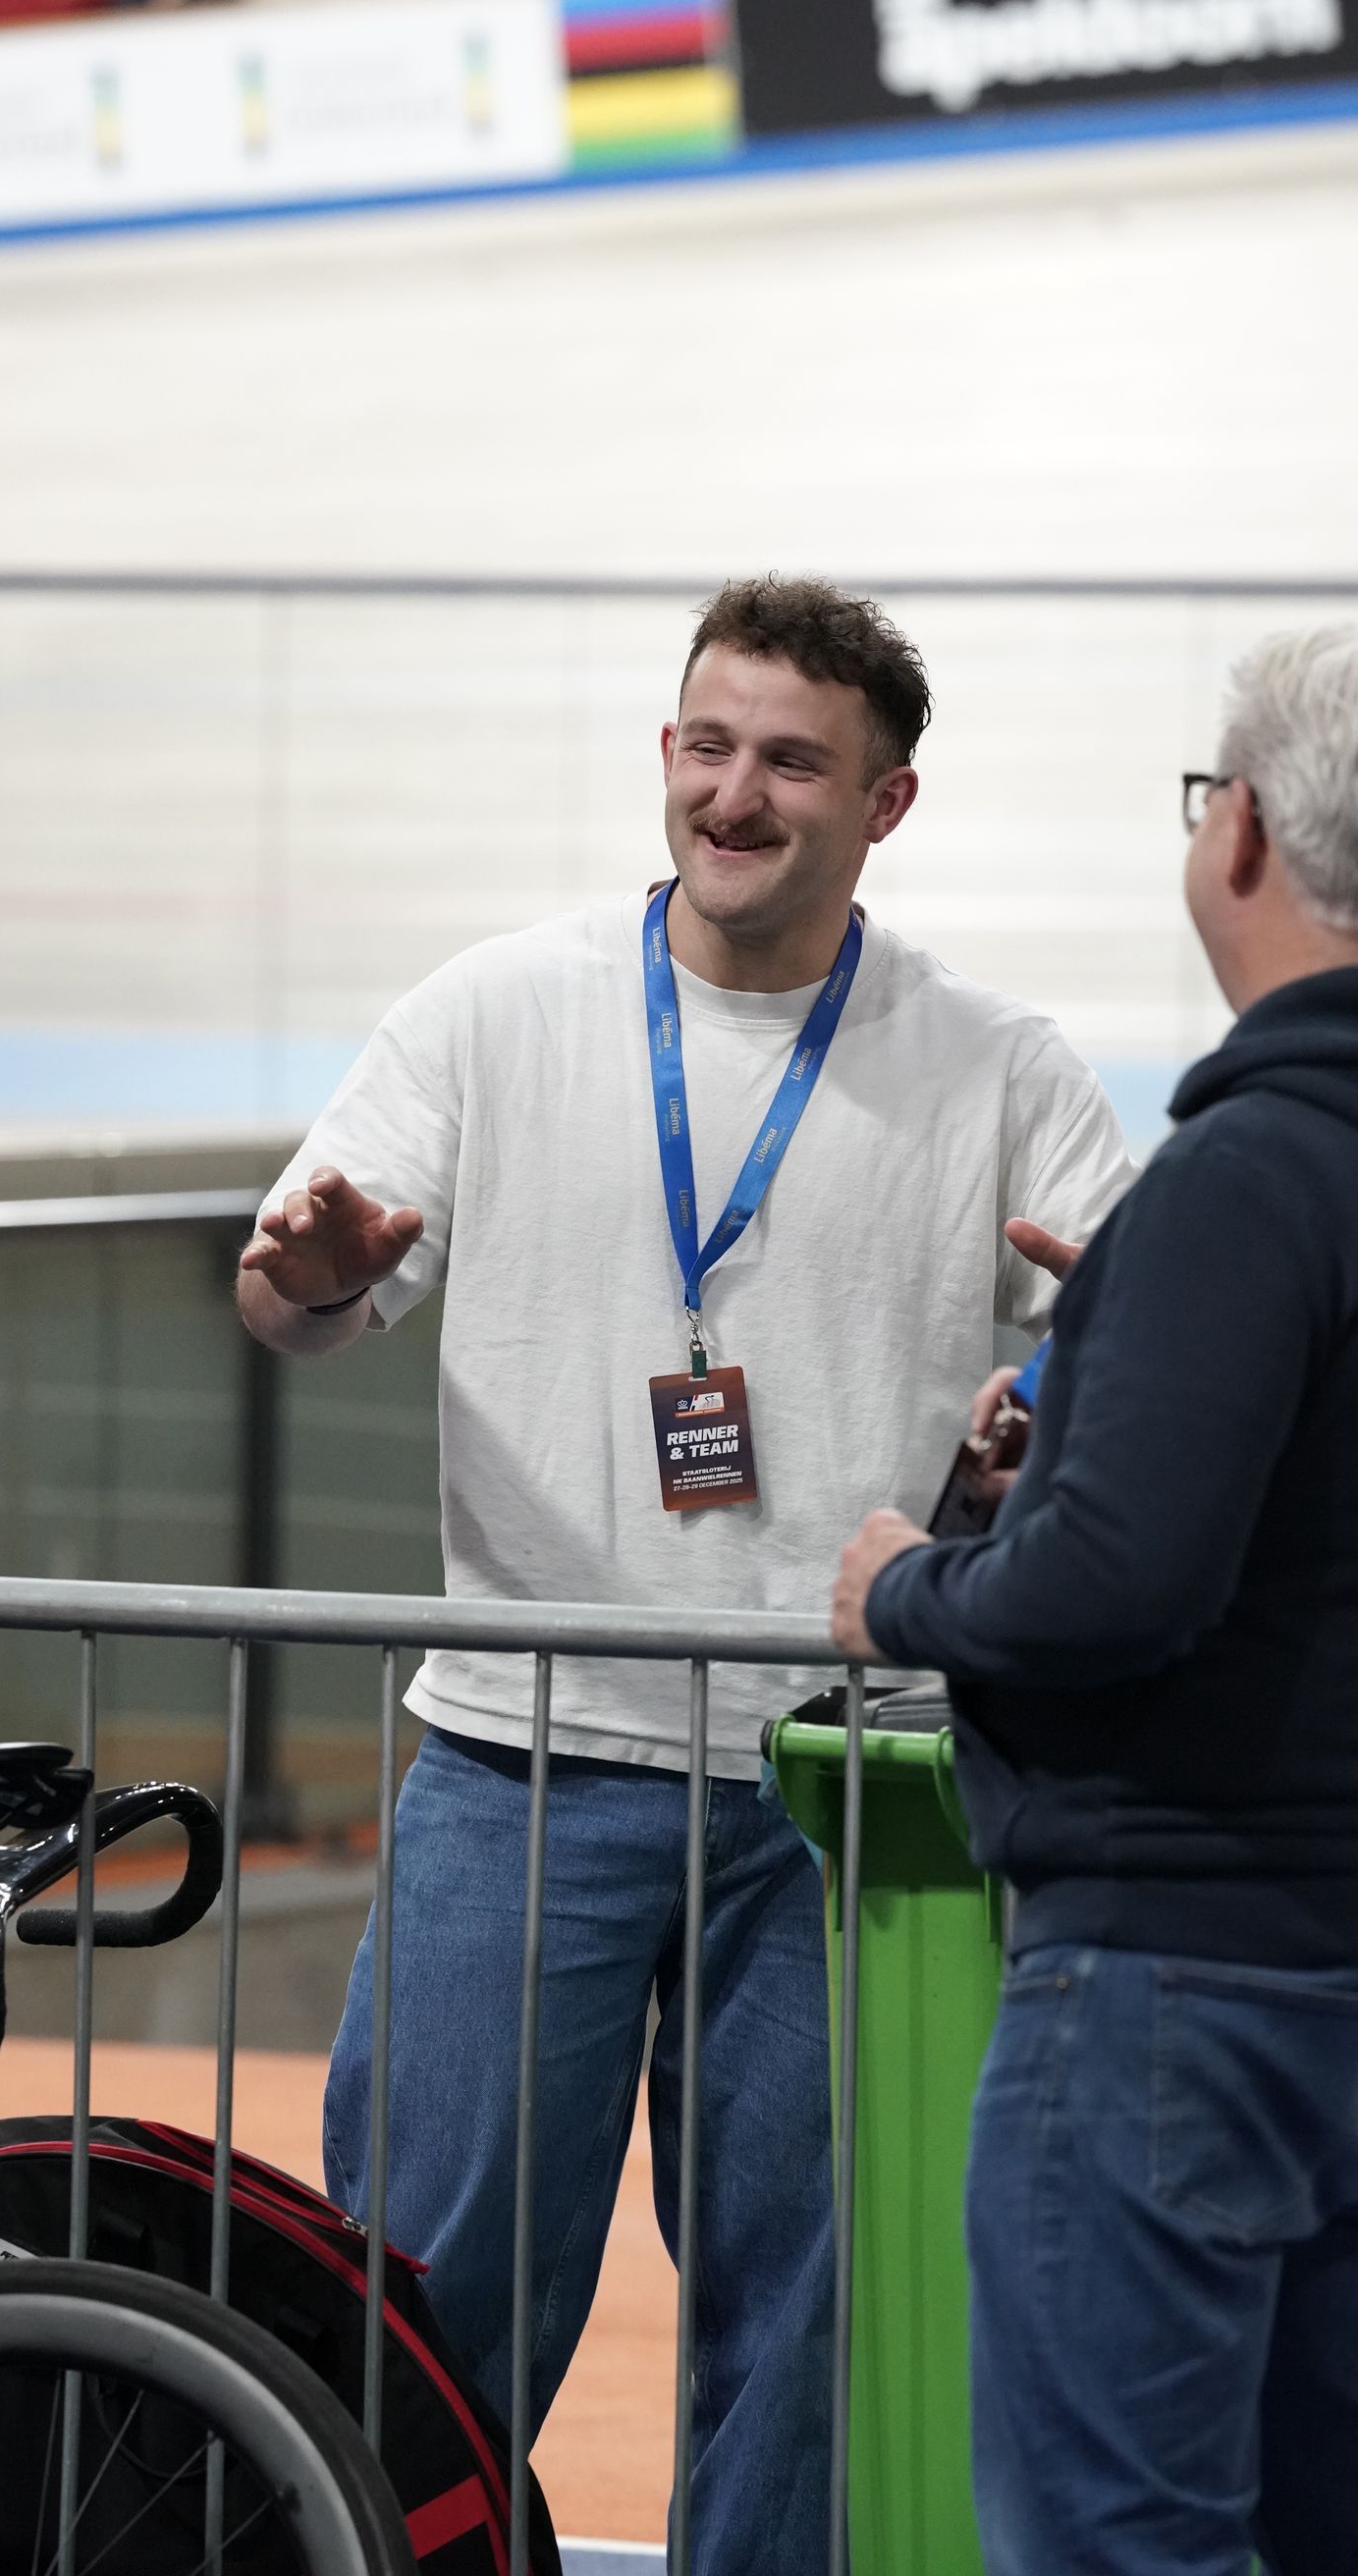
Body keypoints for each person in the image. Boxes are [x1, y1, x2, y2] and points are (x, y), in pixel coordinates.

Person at [238, 575, 1130, 2570]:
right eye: (706, 745)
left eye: (791, 761)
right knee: (418, 2309)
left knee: (802, 2338)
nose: (733, 794)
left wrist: (1053, 1413)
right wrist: (309, 1283)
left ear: (884, 803)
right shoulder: (490, 1011)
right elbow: (294, 1303)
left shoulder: (993, 1063)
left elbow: (1123, 1343)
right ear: (663, 751)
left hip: (842, 1788)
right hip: (522, 1766)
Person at [834, 625, 1358, 2576]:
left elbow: (1114, 1589)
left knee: (1116, 2543)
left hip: (1177, 1984)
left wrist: (909, 1589)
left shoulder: (1250, 1174)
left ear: (1241, 835)